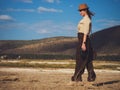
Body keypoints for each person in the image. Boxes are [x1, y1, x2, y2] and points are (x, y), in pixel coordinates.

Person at [71, 3, 96, 82]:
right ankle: (91, 77)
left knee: (80, 59)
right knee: (87, 59)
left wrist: (83, 43)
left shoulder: (87, 20)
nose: (80, 12)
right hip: (82, 39)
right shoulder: (85, 19)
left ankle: (77, 77)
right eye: (79, 11)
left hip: (83, 40)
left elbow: (85, 32)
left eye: (81, 10)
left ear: (85, 10)